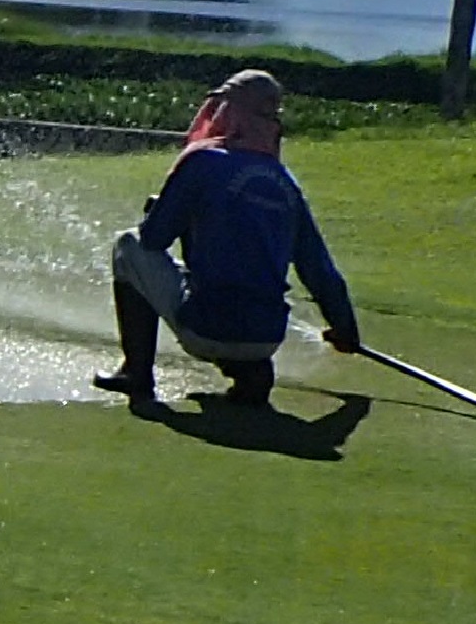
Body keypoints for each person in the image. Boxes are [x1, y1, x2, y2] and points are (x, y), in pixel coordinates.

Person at [96, 70, 362, 406]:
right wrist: (344, 328)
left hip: (206, 328)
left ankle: (136, 373)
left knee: (128, 245)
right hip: (265, 339)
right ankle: (250, 371)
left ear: (230, 110)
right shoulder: (285, 182)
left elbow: (153, 239)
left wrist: (167, 209)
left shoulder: (203, 161)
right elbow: (319, 270)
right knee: (239, 300)